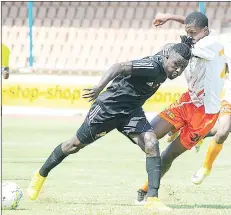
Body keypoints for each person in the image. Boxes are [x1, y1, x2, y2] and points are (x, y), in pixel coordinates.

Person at [27, 40, 191, 212]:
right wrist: (99, 87)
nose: (178, 70)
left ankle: (152, 199)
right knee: (73, 146)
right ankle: (40, 174)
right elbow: (118, 67)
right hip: (107, 110)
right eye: (176, 65)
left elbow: (174, 47)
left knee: (151, 143)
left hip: (131, 112)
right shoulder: (152, 66)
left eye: (182, 67)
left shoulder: (167, 64)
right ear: (166, 57)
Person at [135, 11, 226, 205]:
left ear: (206, 31)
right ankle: (173, 131)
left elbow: (188, 49)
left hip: (205, 115)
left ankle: (146, 190)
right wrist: (168, 16)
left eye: (192, 32)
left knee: (168, 155)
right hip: (188, 101)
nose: (189, 35)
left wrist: (175, 46)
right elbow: (192, 27)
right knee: (147, 136)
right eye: (188, 32)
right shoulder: (202, 35)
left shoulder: (211, 44)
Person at [191, 45, 231, 185]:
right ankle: (206, 167)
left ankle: (199, 134)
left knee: (218, 128)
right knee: (223, 131)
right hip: (229, 99)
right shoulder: (227, 49)